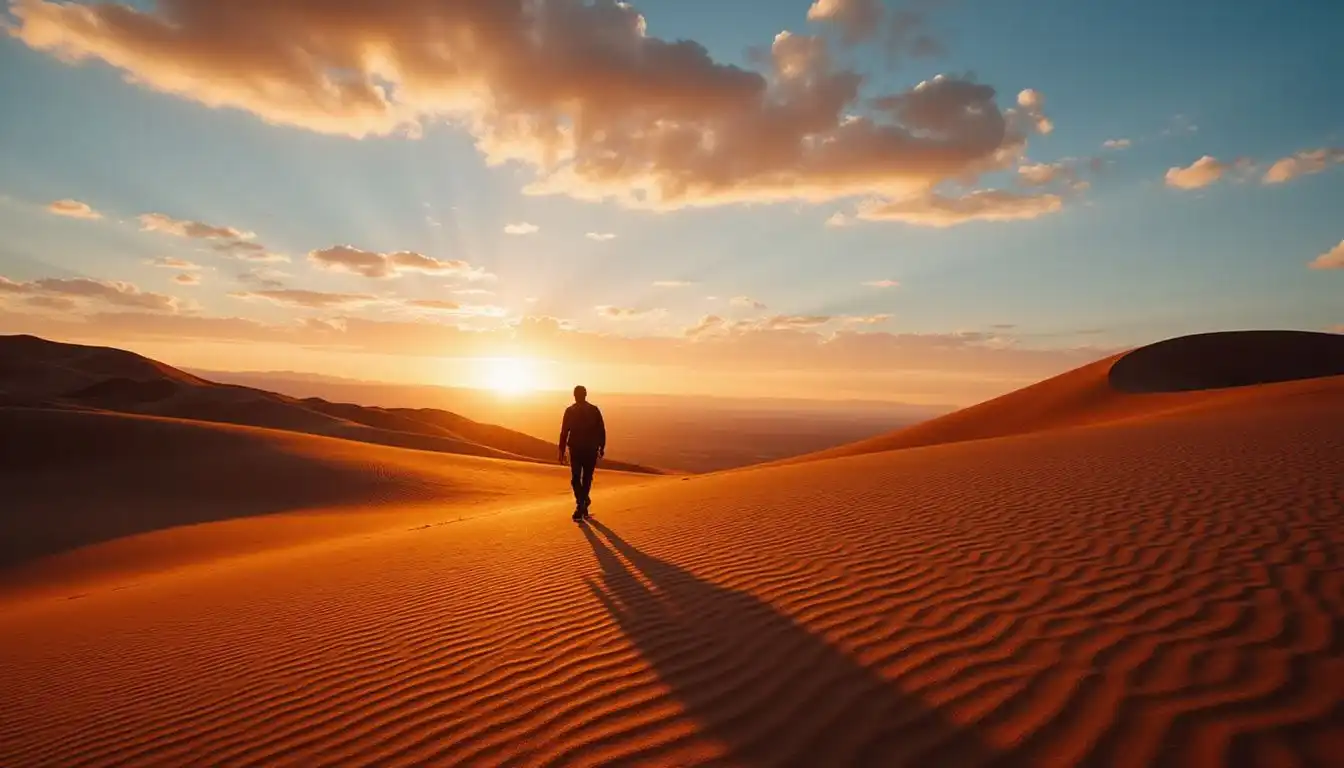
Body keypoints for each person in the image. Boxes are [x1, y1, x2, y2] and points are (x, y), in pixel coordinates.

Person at [559, 385, 606, 521]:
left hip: (586, 450)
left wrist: (601, 446)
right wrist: (601, 446)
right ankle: (583, 501)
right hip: (580, 449)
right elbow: (564, 432)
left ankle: (581, 505)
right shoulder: (573, 411)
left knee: (582, 479)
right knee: (579, 479)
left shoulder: (591, 410)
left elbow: (601, 429)